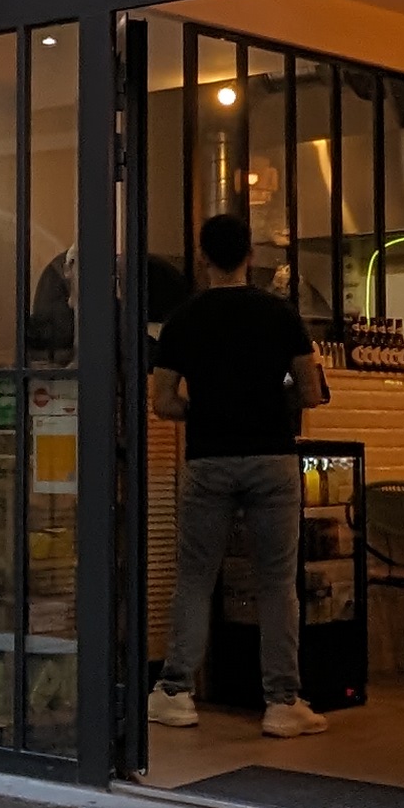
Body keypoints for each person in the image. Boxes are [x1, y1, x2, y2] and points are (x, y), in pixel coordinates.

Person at [148, 217, 328, 736]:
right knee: (277, 583)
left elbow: (162, 402)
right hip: (273, 459)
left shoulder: (182, 320)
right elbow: (311, 391)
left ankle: (176, 692)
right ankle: (282, 703)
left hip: (208, 460)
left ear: (203, 257)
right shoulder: (281, 314)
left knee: (195, 578)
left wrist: (206, 411)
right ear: (250, 256)